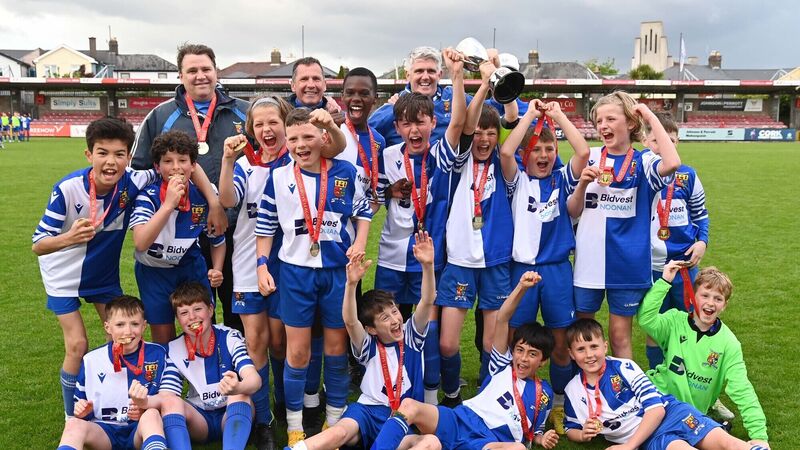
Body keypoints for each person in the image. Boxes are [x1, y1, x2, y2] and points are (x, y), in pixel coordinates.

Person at [32, 117, 216, 418]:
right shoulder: (68, 190)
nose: (111, 161)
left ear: (128, 158)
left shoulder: (135, 181)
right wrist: (69, 237)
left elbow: (185, 167)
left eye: (119, 154)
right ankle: (72, 417)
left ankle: (121, 404)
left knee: (124, 338)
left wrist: (214, 201)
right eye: (102, 153)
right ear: (89, 155)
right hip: (63, 277)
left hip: (103, 277)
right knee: (77, 345)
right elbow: (38, 243)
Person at [255, 108, 370, 445]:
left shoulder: (346, 172)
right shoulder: (278, 177)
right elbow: (265, 227)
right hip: (295, 274)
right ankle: (294, 424)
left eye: (307, 137)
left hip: (337, 272)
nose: (300, 145)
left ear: (323, 139)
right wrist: (263, 265)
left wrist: (360, 242)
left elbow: (363, 211)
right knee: (299, 353)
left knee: (336, 349)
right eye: (293, 139)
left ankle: (334, 420)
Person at [370, 271, 559, 450]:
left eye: (532, 354)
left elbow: (534, 430)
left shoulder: (544, 393)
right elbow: (502, 318)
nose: (523, 358)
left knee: (517, 448)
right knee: (409, 405)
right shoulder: (502, 365)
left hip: (490, 440)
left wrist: (542, 438)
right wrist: (521, 287)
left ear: (543, 361)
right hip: (460, 418)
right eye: (520, 350)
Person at [375, 48, 466, 405]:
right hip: (392, 257)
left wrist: (457, 75)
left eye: (421, 122)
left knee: (424, 328)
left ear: (432, 122)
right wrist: (386, 189)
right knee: (391, 328)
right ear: (397, 128)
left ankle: (429, 398)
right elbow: (371, 200)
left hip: (430, 258)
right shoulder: (387, 157)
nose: (414, 129)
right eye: (406, 123)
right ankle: (394, 388)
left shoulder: (442, 154)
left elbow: (458, 124)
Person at [288, 232, 435, 450]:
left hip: (402, 417)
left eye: (394, 312)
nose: (395, 320)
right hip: (367, 411)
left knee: (430, 442)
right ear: (371, 329)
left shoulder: (411, 336)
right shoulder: (368, 347)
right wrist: (350, 285)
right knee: (339, 432)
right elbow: (349, 321)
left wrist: (428, 266)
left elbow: (427, 300)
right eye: (385, 318)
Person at [131, 42, 240, 332]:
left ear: (217, 72)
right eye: (192, 70)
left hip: (236, 229)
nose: (200, 75)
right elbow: (141, 170)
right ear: (181, 75)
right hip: (180, 227)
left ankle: (231, 369)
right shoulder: (159, 115)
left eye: (206, 69)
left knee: (234, 312)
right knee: (190, 313)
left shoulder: (244, 112)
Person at [499, 98, 591, 433]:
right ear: (527, 154)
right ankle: (513, 391)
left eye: (549, 149)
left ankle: (562, 399)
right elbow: (507, 152)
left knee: (561, 341)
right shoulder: (517, 179)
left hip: (556, 270)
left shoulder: (563, 178)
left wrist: (557, 116)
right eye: (536, 150)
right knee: (514, 337)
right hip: (521, 270)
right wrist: (528, 117)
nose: (543, 156)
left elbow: (583, 153)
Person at [569, 91, 680, 359]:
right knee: (582, 336)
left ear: (630, 123)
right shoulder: (589, 156)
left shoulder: (644, 161)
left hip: (627, 265)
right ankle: (585, 395)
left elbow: (673, 162)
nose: (603, 125)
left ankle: (625, 396)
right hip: (589, 262)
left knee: (619, 338)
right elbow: (571, 210)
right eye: (598, 121)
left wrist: (649, 116)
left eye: (610, 118)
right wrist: (582, 183)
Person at [434, 60, 513, 407]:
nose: (483, 138)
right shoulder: (457, 161)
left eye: (489, 133)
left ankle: (489, 396)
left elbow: (511, 123)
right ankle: (451, 395)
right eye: (478, 132)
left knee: (492, 342)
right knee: (448, 343)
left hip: (496, 262)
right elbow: (461, 124)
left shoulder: (505, 162)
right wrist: (481, 83)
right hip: (461, 261)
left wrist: (498, 78)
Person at [218, 95, 295, 449]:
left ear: (285, 123)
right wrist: (227, 160)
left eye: (273, 122)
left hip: (289, 266)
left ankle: (285, 405)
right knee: (256, 343)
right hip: (249, 266)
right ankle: (264, 422)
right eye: (259, 124)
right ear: (251, 129)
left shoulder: (298, 161)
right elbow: (228, 201)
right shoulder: (245, 166)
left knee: (281, 342)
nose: (266, 129)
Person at [563, 318, 767, 450]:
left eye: (593, 347)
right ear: (571, 354)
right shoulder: (572, 390)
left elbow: (657, 410)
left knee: (728, 443)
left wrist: (628, 446)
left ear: (605, 346)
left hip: (671, 413)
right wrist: (582, 434)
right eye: (581, 349)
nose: (589, 355)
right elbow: (570, 427)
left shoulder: (624, 367)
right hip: (649, 439)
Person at [638, 261, 770, 448]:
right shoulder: (675, 321)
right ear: (692, 297)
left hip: (690, 414)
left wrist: (759, 435)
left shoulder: (729, 343)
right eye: (705, 295)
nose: (710, 303)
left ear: (724, 305)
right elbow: (646, 318)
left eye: (718, 298)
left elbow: (742, 388)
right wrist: (665, 281)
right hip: (655, 398)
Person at [132, 282, 261, 450]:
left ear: (210, 310)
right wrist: (144, 401)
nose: (192, 317)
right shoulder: (173, 349)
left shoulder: (229, 336)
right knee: (171, 402)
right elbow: (167, 396)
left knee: (242, 394)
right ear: (178, 320)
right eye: (184, 313)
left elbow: (254, 380)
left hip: (229, 412)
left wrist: (238, 387)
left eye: (198, 309)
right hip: (199, 420)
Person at [130, 130, 225, 344]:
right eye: (167, 161)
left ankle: (203, 375)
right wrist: (168, 205)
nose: (175, 167)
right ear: (157, 166)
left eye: (182, 160)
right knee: (163, 336)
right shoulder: (148, 197)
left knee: (200, 329)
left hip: (190, 268)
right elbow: (141, 242)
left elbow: (217, 238)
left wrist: (217, 268)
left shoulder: (205, 194)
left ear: (193, 165)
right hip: (153, 273)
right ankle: (168, 376)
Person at [642, 113, 710, 370]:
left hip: (684, 265)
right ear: (647, 141)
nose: (666, 145)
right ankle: (659, 379)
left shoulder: (688, 176)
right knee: (654, 327)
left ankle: (697, 379)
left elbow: (701, 214)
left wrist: (702, 241)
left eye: (672, 141)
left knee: (692, 322)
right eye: (659, 140)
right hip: (651, 267)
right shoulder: (641, 173)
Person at [56, 295, 169, 450]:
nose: (128, 331)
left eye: (134, 324)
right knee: (73, 424)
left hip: (140, 430)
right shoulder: (91, 360)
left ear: (144, 326)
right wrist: (82, 411)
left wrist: (146, 407)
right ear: (108, 327)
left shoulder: (159, 354)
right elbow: (80, 404)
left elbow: (169, 400)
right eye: (120, 324)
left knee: (152, 416)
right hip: (104, 432)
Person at [338, 67, 386, 210]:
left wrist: (361, 220)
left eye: (364, 94)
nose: (356, 99)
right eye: (350, 93)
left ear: (375, 98)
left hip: (355, 228)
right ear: (342, 96)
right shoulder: (332, 129)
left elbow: (375, 196)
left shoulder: (379, 142)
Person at [289, 56, 344, 124]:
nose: (311, 85)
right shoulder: (279, 115)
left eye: (316, 79)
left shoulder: (340, 118)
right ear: (293, 86)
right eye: (304, 79)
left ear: (324, 85)